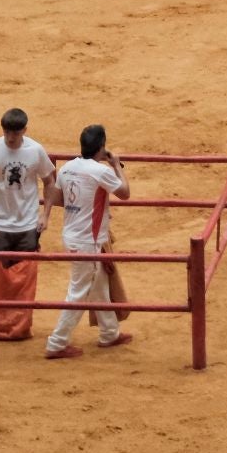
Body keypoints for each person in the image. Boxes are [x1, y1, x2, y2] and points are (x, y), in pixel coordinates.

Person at [44, 123, 134, 359]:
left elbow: (60, 198)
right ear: (101, 147)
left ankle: (109, 333)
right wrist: (116, 165)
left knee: (98, 283)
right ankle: (57, 342)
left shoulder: (67, 168)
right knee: (79, 291)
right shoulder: (100, 171)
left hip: (72, 235)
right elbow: (125, 193)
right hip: (88, 241)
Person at [0, 108, 55, 257]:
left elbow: (49, 181)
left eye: (15, 133)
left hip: (28, 226)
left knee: (25, 276)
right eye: (7, 132)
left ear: (24, 130)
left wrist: (45, 215)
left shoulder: (35, 150)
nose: (10, 137)